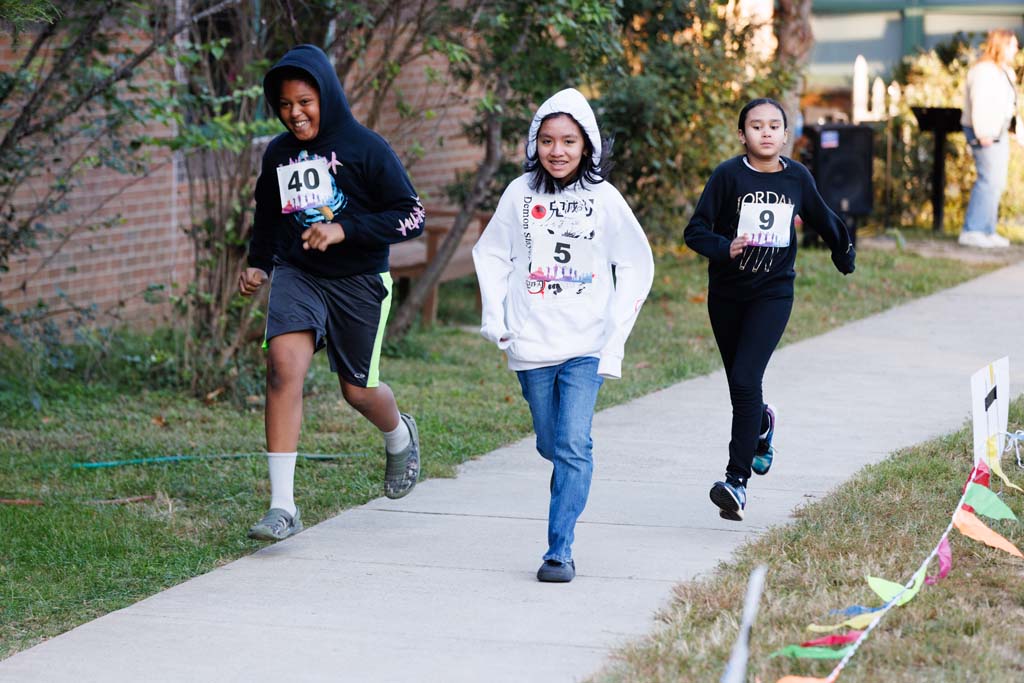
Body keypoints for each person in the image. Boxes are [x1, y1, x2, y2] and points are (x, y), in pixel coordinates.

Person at [239, 44, 426, 541]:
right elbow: (268, 212)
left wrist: (345, 229)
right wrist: (259, 263)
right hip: (299, 273)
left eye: (304, 101)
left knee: (357, 391)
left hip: (358, 280)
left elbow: (412, 215)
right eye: (284, 105)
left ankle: (398, 434)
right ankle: (283, 507)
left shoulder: (366, 147)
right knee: (283, 368)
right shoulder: (279, 153)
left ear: (327, 94)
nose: (294, 114)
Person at [472, 88, 654, 583]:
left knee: (574, 446)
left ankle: (560, 550)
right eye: (548, 141)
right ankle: (569, 469)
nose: (558, 151)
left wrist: (614, 339)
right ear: (535, 144)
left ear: (587, 145)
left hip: (585, 345)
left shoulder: (604, 199)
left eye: (569, 141)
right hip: (531, 344)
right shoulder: (519, 194)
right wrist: (496, 315)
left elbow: (635, 263)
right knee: (552, 443)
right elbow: (490, 253)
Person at [684, 98, 855, 522]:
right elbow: (695, 231)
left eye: (774, 126)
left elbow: (822, 216)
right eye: (756, 126)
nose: (765, 132)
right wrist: (726, 247)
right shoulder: (727, 176)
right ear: (742, 135)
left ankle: (735, 482)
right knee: (741, 387)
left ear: (785, 133)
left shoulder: (797, 177)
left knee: (745, 379)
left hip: (773, 295)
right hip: (726, 295)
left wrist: (844, 252)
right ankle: (761, 426)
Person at [958, 29, 1020, 249]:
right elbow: (980, 103)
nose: (1016, 49)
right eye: (1012, 45)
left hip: (999, 131)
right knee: (988, 180)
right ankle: (972, 230)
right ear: (1000, 45)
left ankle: (987, 229)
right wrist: (983, 132)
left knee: (997, 181)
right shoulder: (983, 70)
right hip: (985, 132)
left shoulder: (1003, 71)